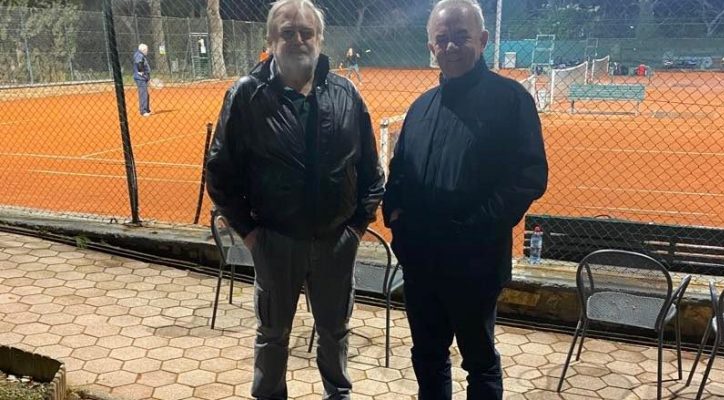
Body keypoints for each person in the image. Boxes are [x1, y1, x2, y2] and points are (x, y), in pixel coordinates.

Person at [205, 0, 385, 399]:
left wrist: (355, 230)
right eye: (287, 32)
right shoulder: (246, 95)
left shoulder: (346, 95)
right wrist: (252, 235)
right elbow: (219, 173)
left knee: (335, 333)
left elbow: (372, 173)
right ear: (271, 40)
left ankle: (338, 394)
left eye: (307, 32)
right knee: (272, 336)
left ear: (320, 39)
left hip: (336, 243)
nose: (298, 39)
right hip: (275, 242)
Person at [382, 0, 548, 398]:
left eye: (461, 37)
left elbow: (528, 176)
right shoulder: (421, 107)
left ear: (483, 40)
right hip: (421, 262)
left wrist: (471, 230)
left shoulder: (511, 100)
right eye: (442, 39)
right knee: (428, 356)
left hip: (475, 263)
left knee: (480, 362)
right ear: (431, 47)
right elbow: (399, 170)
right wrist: (397, 219)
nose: (451, 47)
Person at [133, 43, 151, 117]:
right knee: (143, 93)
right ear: (143, 50)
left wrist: (147, 77)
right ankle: (143, 111)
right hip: (140, 78)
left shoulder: (140, 55)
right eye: (147, 50)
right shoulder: (139, 55)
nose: (147, 51)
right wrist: (141, 72)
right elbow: (139, 64)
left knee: (145, 93)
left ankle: (146, 109)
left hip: (143, 77)